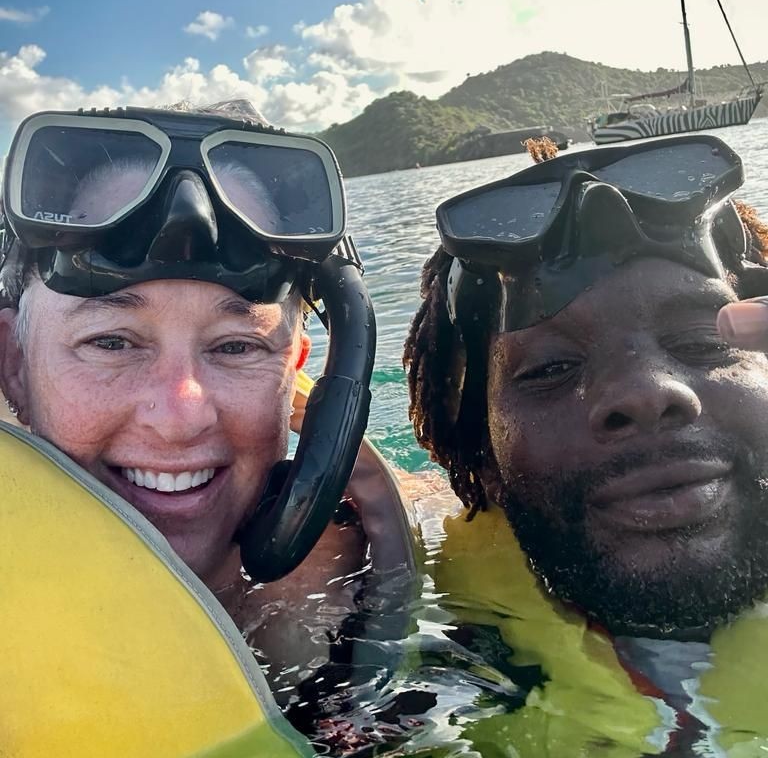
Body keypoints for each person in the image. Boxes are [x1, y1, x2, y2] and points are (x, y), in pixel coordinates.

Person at [0, 100, 415, 756]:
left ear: (297, 366)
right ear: (13, 365)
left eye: (235, 346)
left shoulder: (395, 539)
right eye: (111, 342)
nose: (182, 413)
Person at [404, 133, 768, 755]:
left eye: (705, 341)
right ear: (482, 458)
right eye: (549, 369)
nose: (646, 393)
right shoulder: (415, 609)